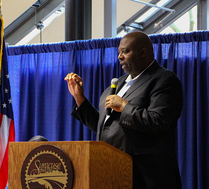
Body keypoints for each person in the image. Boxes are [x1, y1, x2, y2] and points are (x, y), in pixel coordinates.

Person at [64, 31, 183, 188]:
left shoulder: (164, 79)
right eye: (119, 52)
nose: (119, 56)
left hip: (146, 176)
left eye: (125, 51)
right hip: (113, 171)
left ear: (143, 52)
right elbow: (104, 127)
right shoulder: (118, 83)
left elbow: (158, 121)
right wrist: (79, 98)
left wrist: (124, 106)